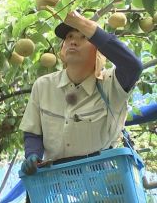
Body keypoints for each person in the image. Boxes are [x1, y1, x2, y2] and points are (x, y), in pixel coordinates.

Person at [19, 11, 143, 201]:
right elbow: (33, 132)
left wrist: (85, 24)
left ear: (99, 49)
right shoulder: (43, 86)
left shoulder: (111, 84)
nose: (73, 42)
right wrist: (33, 155)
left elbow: (133, 65)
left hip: (101, 180)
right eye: (69, 37)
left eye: (83, 37)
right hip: (55, 183)